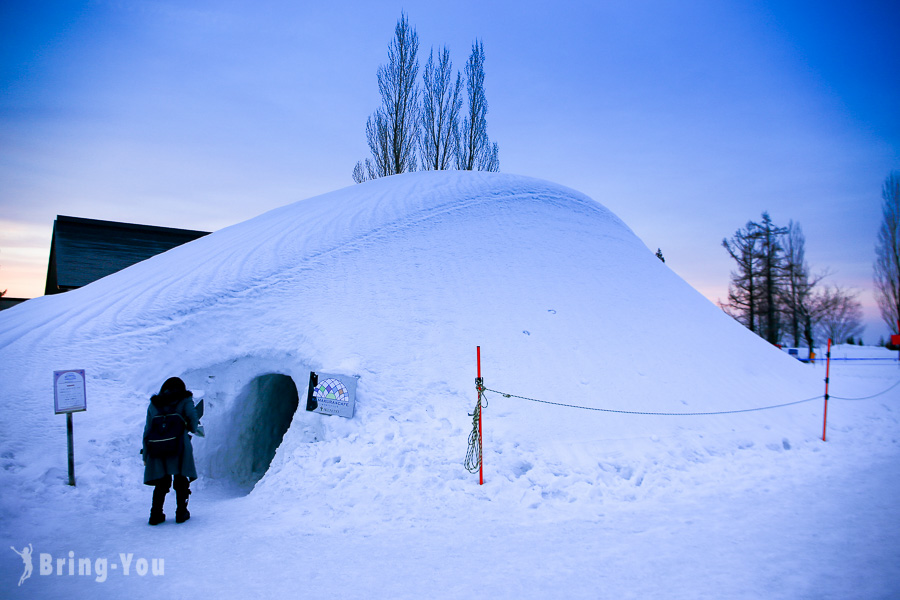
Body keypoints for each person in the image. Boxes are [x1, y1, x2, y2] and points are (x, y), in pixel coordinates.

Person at [142, 377, 200, 525]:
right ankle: (181, 512)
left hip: (158, 447)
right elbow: (193, 418)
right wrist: (192, 429)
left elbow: (148, 428)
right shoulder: (185, 400)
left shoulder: (155, 403)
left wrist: (146, 451)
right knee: (181, 479)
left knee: (161, 481)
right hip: (179, 445)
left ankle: (155, 514)